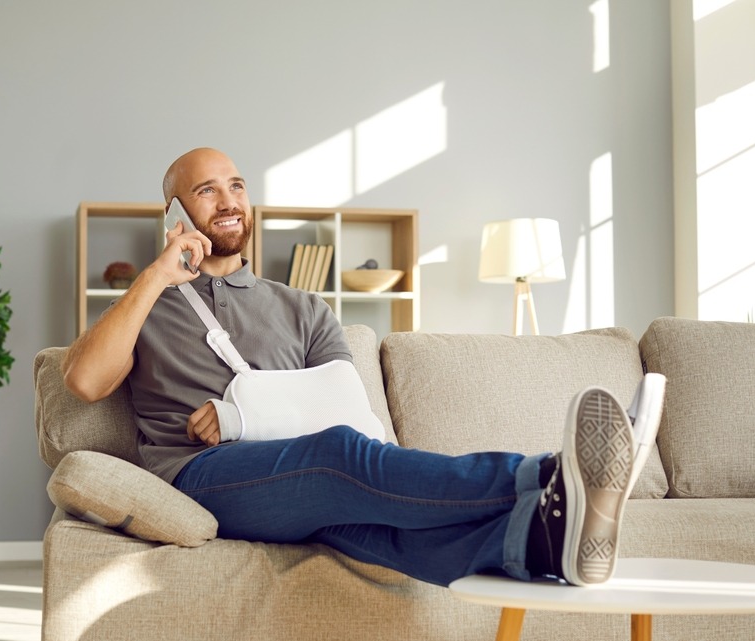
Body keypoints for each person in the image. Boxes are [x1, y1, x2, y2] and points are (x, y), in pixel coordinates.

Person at [62, 147, 664, 588]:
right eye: (207, 191)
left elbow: (341, 405)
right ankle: (550, 476)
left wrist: (241, 415)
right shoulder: (147, 307)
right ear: (175, 212)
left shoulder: (302, 306)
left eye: (237, 186)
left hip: (297, 483)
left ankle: (543, 543)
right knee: (338, 454)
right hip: (202, 476)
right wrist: (156, 275)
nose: (229, 201)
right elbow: (86, 381)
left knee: (381, 535)